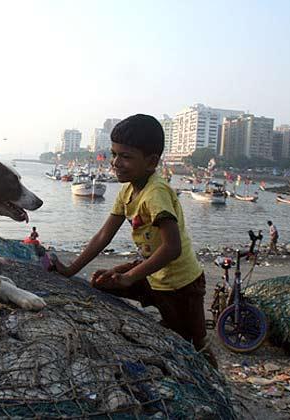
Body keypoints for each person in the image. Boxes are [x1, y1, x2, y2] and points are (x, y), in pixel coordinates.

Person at [53, 114, 215, 367]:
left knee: (195, 341)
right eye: (113, 155)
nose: (116, 163)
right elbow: (103, 236)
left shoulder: (155, 193)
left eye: (126, 157)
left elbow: (172, 248)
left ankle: (213, 385)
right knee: (101, 283)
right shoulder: (128, 190)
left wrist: (130, 276)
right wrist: (70, 270)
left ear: (151, 162)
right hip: (151, 275)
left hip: (182, 284)